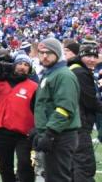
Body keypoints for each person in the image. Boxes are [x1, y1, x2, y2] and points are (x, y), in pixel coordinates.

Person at [0, 52, 37, 182]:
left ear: (30, 68)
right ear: (14, 65)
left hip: (24, 135)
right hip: (2, 133)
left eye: (26, 65)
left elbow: (38, 111)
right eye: (20, 64)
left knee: (25, 165)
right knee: (5, 168)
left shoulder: (33, 87)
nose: (22, 67)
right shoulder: (1, 83)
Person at [31, 38, 80, 182]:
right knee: (52, 177)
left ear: (58, 54)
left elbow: (65, 109)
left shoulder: (63, 75)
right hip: (54, 134)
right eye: (41, 53)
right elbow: (44, 105)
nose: (45, 56)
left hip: (60, 135)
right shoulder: (51, 73)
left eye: (49, 53)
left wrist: (49, 133)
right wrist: (40, 129)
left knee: (58, 178)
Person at [66, 41, 102, 181]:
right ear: (81, 56)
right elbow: (90, 101)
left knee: (73, 167)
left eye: (95, 56)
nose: (92, 59)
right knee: (84, 166)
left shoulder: (73, 69)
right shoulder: (80, 72)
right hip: (79, 126)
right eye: (88, 56)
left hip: (71, 125)